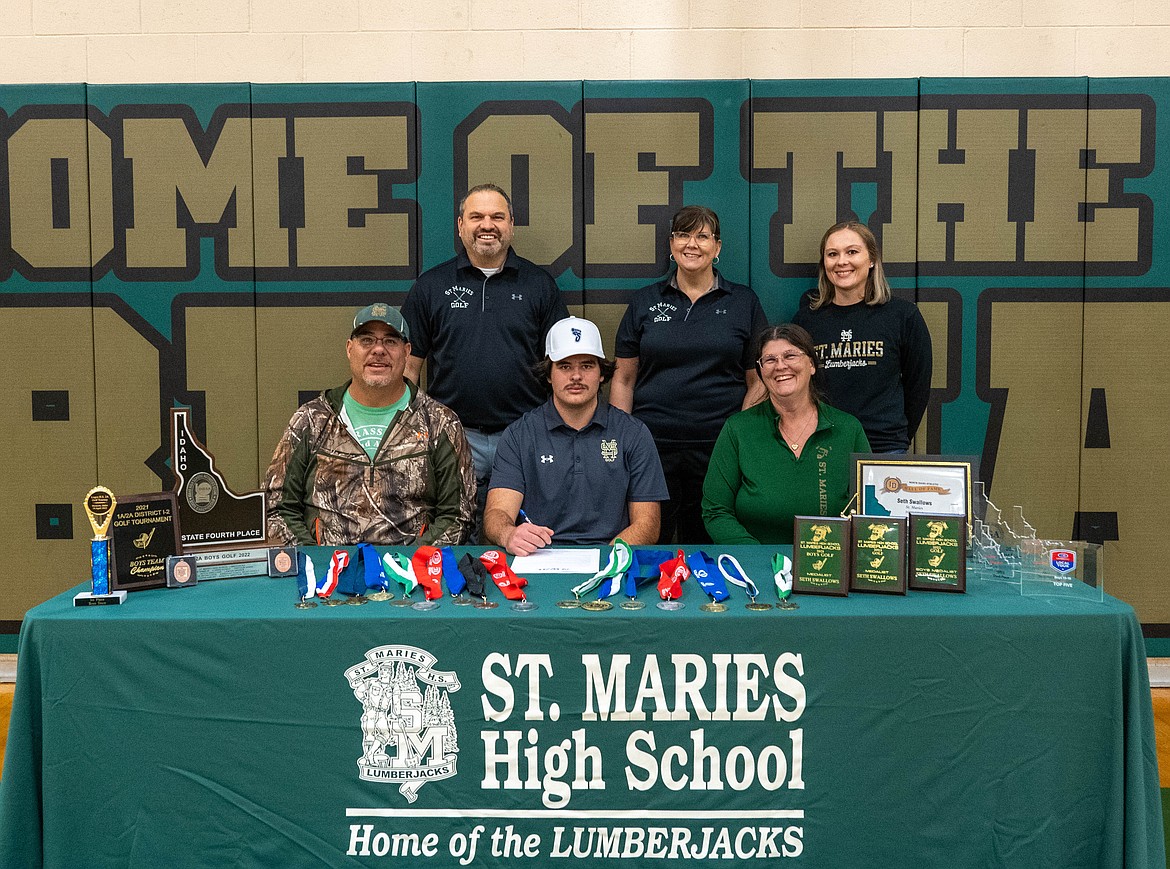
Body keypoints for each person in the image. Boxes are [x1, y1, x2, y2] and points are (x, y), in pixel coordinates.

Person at [401, 184, 569, 539]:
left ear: (511, 225)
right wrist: (414, 433)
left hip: (524, 434)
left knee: (523, 537)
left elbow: (561, 366)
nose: (486, 225)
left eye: (497, 216)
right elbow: (410, 366)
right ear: (461, 225)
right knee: (456, 535)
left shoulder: (540, 286)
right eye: (476, 216)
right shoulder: (431, 286)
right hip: (455, 437)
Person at [611, 205, 767, 545]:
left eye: (702, 236)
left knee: (709, 545)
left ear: (718, 247)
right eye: (683, 235)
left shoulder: (743, 301)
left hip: (718, 447)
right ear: (671, 244)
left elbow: (758, 381)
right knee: (652, 543)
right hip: (651, 446)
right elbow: (623, 379)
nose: (691, 244)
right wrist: (621, 439)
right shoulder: (645, 301)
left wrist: (736, 435)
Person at [265, 303, 475, 546]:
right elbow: (276, 507)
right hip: (329, 574)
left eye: (390, 341)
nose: (378, 350)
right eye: (367, 340)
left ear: (407, 351)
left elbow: (458, 515)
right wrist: (317, 563)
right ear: (349, 349)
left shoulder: (440, 423)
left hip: (410, 576)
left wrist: (412, 567)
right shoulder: (312, 419)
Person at [484, 316, 669, 556]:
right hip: (538, 558)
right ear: (549, 374)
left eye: (587, 365)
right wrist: (509, 534)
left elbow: (647, 525)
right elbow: (497, 514)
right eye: (564, 366)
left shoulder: (633, 433)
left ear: (602, 373)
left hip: (612, 559)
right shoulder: (519, 435)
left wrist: (607, 562)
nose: (576, 376)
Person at [702, 323, 870, 545]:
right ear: (761, 371)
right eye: (769, 360)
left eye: (790, 355)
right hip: (755, 568)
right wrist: (759, 558)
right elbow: (715, 511)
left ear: (811, 364)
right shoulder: (738, 429)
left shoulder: (848, 429)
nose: (780, 366)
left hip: (829, 566)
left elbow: (868, 511)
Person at [791, 220, 932, 453]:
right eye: (832, 254)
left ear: (873, 260)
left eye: (852, 252)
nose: (841, 261)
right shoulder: (806, 321)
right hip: (823, 445)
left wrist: (897, 436)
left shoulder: (903, 316)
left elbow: (918, 386)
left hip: (883, 447)